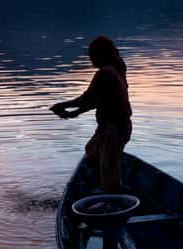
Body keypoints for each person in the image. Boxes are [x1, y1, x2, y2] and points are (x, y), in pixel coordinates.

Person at [50, 36, 132, 193]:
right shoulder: (117, 68)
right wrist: (74, 113)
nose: (90, 59)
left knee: (110, 178)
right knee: (92, 151)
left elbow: (87, 98)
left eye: (92, 55)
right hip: (113, 127)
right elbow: (96, 101)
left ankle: (112, 204)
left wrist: (62, 105)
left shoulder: (106, 73)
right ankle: (102, 189)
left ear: (101, 55)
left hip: (113, 129)